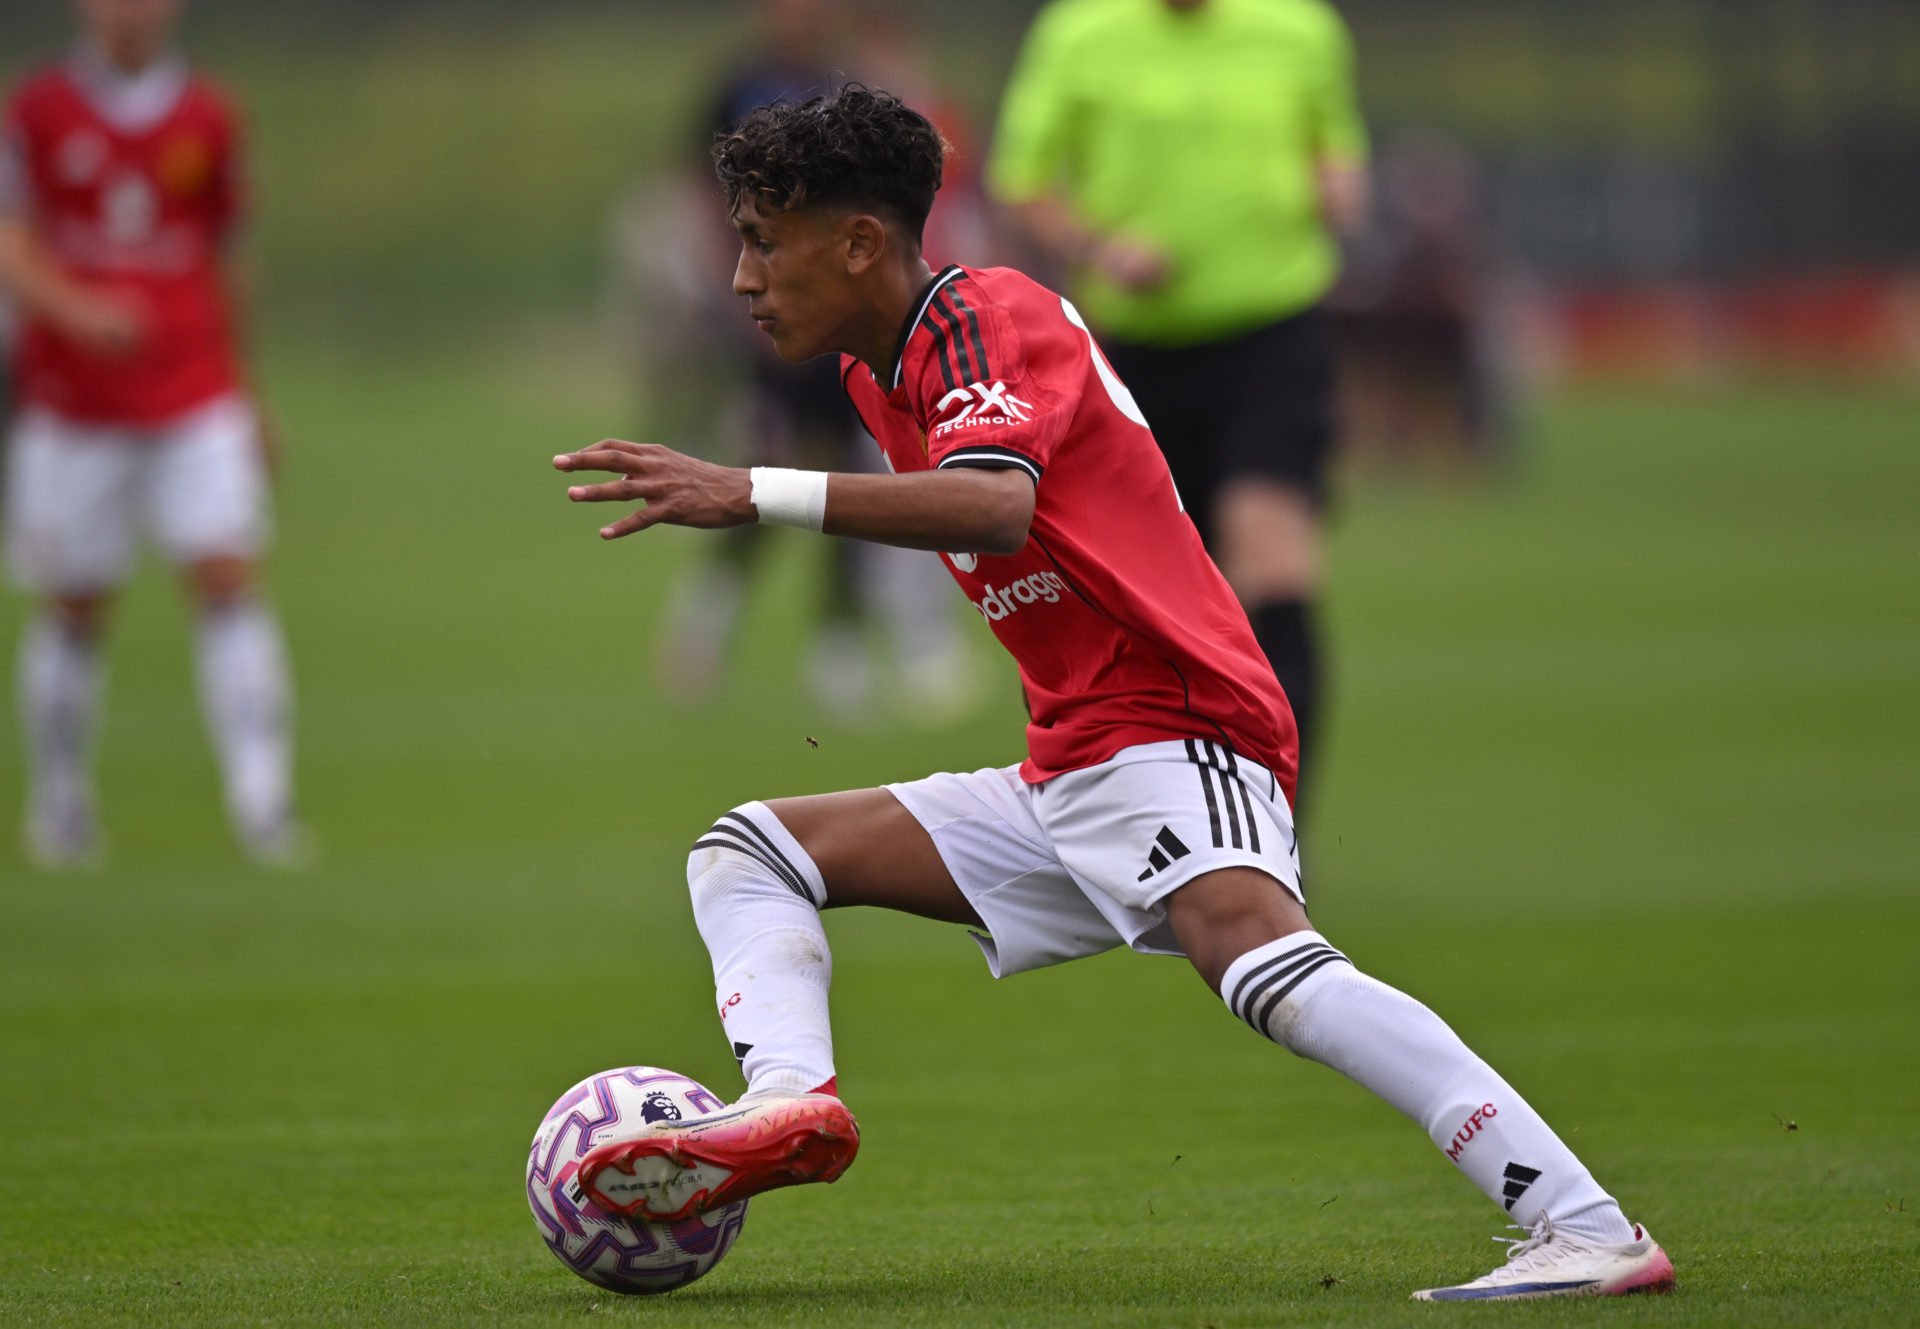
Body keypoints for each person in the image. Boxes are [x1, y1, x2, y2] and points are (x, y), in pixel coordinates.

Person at [549, 87, 1672, 1302]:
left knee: (1260, 964)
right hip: (1077, 764)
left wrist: (751, 487)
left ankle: (1585, 1225)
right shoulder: (885, 375)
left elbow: (995, 503)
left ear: (860, 242)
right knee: (752, 852)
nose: (740, 278)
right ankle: (786, 1103)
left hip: (1179, 721)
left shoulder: (986, 315)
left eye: (765, 242)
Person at [988, 0, 1372, 810]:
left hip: (1273, 335)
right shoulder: (1079, 33)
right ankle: (1169, 815)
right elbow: (1021, 183)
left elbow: (1337, 156)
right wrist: (1099, 246)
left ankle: (1280, 830)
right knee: (1157, 603)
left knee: (1271, 562)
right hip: (1133, 357)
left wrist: (1338, 188)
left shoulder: (1300, 29)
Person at [1, 0, 303, 867]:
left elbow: (231, 255)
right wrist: (78, 311)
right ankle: (60, 804)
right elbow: (12, 243)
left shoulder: (211, 114)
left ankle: (263, 803)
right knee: (75, 601)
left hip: (193, 391)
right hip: (73, 402)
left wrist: (250, 392)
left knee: (228, 576)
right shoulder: (37, 110)